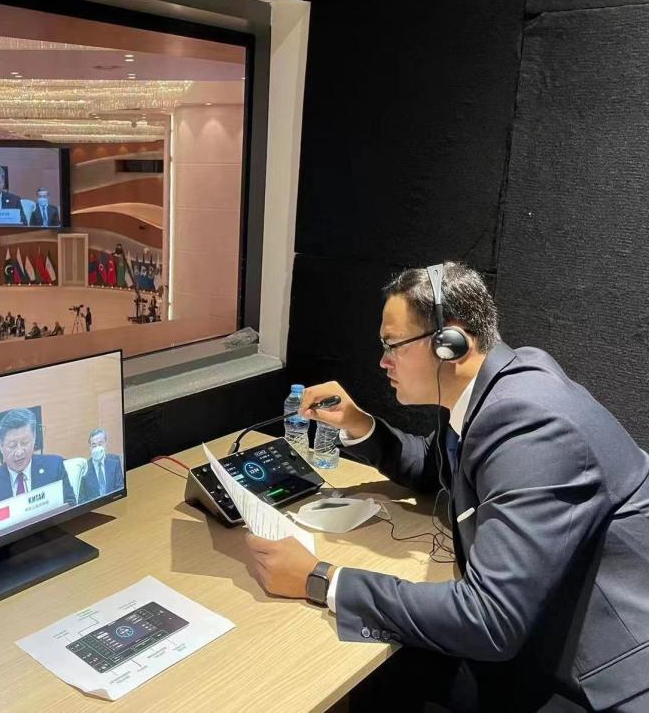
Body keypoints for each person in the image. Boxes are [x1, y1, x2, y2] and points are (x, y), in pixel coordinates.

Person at [243, 262, 649, 712]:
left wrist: (322, 579)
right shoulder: (501, 385)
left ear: (449, 343)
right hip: (544, 627)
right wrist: (360, 425)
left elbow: (490, 620)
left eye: (392, 344)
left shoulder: (531, 427)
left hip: (596, 681)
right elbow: (435, 467)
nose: (382, 361)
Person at [0, 408, 77, 508]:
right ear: (1, 446)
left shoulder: (54, 467)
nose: (19, 452)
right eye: (12, 445)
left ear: (34, 438)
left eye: (24, 443)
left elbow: (71, 506)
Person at [77, 428, 124, 503]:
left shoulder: (115, 462)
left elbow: (120, 488)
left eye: (100, 444)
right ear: (90, 448)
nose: (97, 448)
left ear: (105, 445)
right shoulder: (84, 469)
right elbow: (81, 499)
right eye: (94, 445)